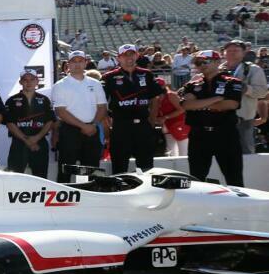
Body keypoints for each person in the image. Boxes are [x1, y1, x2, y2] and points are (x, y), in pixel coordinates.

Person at [180, 50, 244, 186]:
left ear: (217, 62)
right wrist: (216, 99)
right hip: (199, 136)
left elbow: (231, 104)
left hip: (226, 134)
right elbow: (187, 104)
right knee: (196, 179)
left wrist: (200, 104)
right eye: (198, 63)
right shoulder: (192, 84)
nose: (201, 65)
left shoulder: (232, 82)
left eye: (205, 61)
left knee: (234, 178)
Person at [101, 44, 164, 174]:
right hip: (121, 126)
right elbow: (102, 104)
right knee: (119, 167)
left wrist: (151, 120)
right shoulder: (109, 77)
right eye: (125, 55)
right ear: (119, 58)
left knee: (146, 167)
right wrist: (107, 125)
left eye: (131, 54)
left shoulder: (146, 74)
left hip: (143, 126)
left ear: (137, 55)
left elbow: (155, 98)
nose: (129, 58)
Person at [51, 51, 107, 182]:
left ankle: (93, 198)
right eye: (74, 61)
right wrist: (84, 126)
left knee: (93, 171)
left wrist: (92, 125)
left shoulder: (96, 83)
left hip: (93, 129)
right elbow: (60, 111)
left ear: (85, 63)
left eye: (80, 61)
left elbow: (102, 107)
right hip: (69, 131)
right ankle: (63, 200)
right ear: (68, 64)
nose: (77, 64)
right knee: (66, 169)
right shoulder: (60, 85)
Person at [3, 70, 54, 178]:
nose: (29, 82)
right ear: (20, 82)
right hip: (18, 144)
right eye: (25, 80)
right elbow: (10, 123)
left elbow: (49, 121)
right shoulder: (11, 100)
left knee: (41, 179)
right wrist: (28, 141)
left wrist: (36, 138)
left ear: (37, 81)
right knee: (15, 178)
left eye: (32, 79)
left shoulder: (45, 100)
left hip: (39, 143)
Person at [223, 38, 268, 154]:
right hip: (219, 118)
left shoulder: (253, 70)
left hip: (243, 118)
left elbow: (262, 92)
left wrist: (245, 88)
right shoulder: (218, 69)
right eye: (229, 50)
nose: (232, 52)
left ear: (243, 53)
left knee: (245, 152)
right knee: (222, 152)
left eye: (236, 50)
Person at [155, 77, 190, 157]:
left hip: (179, 124)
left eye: (160, 86)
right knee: (170, 152)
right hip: (167, 127)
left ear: (164, 86)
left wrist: (165, 117)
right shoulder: (154, 98)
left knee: (183, 153)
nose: (158, 88)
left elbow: (182, 109)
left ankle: (185, 169)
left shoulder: (171, 95)